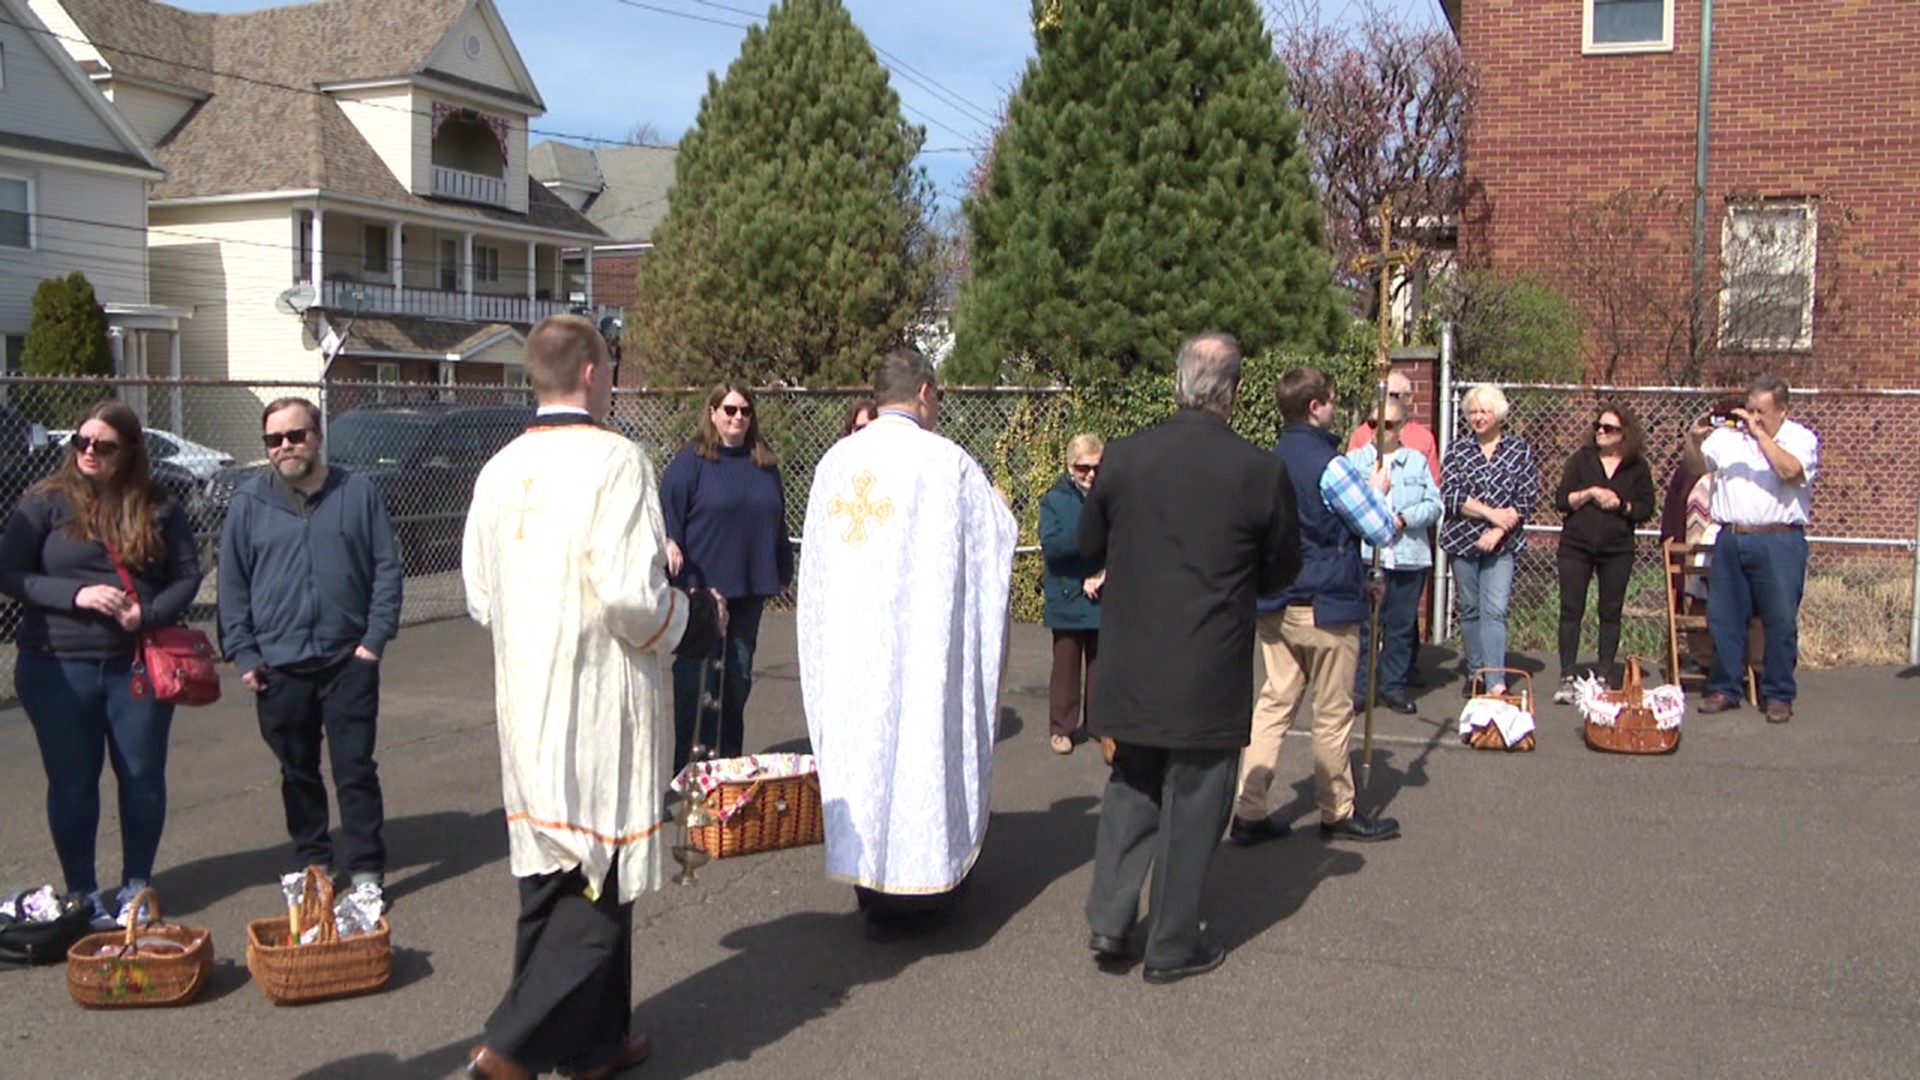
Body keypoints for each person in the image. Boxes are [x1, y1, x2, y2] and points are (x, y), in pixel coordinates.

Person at [461, 315, 725, 1080]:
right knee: (594, 882)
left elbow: (480, 592)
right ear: (590, 373)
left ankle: (594, 1043)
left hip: (529, 702)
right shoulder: (617, 460)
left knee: (549, 876)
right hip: (597, 704)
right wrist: (696, 616)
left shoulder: (499, 468)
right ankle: (507, 1052)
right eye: (610, 366)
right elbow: (629, 598)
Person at [1080, 333, 1301, 985]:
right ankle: (1172, 942)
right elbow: (1282, 566)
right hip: (1209, 658)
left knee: (1131, 783)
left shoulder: (1122, 458)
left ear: (1180, 382)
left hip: (1132, 653)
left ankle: (1110, 917)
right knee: (1198, 796)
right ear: (1234, 391)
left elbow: (1090, 541)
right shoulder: (1259, 471)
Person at [797, 348, 1017, 934]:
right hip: (921, 649)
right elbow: (996, 538)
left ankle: (871, 888)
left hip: (854, 648)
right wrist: (1002, 509)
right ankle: (926, 890)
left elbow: (815, 571)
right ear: (924, 393)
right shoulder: (948, 464)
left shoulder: (835, 463)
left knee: (864, 756)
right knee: (922, 751)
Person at [0, 402, 201, 930]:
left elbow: (186, 575)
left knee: (140, 777)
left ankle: (136, 883)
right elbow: (10, 573)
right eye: (81, 442)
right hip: (56, 667)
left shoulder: (160, 506)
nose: (88, 452)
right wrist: (77, 594)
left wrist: (148, 613)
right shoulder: (45, 502)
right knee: (72, 782)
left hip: (133, 666)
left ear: (129, 452)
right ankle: (82, 892)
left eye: (103, 445)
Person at [217, 397, 401, 913]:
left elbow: (386, 569)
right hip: (279, 666)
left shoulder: (358, 493)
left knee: (355, 769)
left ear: (317, 437)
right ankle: (314, 864)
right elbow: (232, 585)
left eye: (295, 436)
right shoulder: (249, 504)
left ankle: (366, 869)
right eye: (274, 440)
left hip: (348, 660)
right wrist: (244, 653)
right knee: (297, 773)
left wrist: (374, 641)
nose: (285, 448)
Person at [1233, 367, 1401, 849]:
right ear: (1314, 406)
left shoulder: (1267, 460)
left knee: (1273, 704)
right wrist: (1380, 494)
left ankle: (1249, 808)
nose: (1334, 407)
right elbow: (1382, 528)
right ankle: (1338, 809)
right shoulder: (1334, 466)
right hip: (1324, 608)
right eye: (1330, 400)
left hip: (1275, 604)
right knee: (1331, 712)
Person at [660, 384, 794, 772]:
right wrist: (670, 542)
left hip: (748, 588)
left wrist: (782, 567)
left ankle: (727, 770)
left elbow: (776, 520)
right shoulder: (691, 462)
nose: (738, 418)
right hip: (700, 590)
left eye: (746, 411)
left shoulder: (764, 465)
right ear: (713, 412)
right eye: (730, 410)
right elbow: (669, 511)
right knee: (696, 685)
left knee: (737, 681)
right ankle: (688, 775)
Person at [1684, 374, 1818, 724]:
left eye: (1762, 411)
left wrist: (1759, 435)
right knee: (1724, 617)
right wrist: (1694, 439)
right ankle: (1725, 688)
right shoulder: (1728, 439)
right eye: (1750, 410)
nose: (1753, 417)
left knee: (1779, 620)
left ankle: (1778, 694)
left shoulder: (1800, 438)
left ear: (1782, 411)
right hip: (1731, 537)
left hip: (1779, 539)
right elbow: (1696, 465)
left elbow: (1790, 471)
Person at [1551, 403, 1656, 701]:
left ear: (1625, 434)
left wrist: (1621, 504)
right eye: (1598, 426)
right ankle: (1568, 674)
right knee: (1571, 609)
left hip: (1616, 549)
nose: (1601, 432)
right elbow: (1561, 500)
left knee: (1610, 611)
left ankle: (1605, 673)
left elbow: (1646, 508)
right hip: (1576, 546)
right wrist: (1588, 494)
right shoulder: (1581, 460)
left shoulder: (1637, 466)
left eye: (1608, 428)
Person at [1440, 384, 1538, 697]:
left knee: (1495, 609)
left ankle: (1495, 680)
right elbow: (1452, 495)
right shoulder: (1457, 450)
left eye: (1485, 411)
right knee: (1469, 609)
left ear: (1499, 414)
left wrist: (1498, 529)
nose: (1478, 418)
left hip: (1503, 545)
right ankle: (1476, 673)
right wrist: (1490, 514)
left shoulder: (1518, 450)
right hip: (1463, 541)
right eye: (1473, 412)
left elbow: (1526, 497)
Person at [1347, 397, 1442, 716]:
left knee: (1400, 627)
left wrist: (1403, 519)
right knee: (1363, 628)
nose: (1379, 431)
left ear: (1401, 426)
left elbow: (1434, 505)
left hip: (1406, 558)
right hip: (1365, 557)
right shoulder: (1355, 461)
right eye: (1373, 424)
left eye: (1387, 425)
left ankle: (1393, 688)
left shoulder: (1415, 462)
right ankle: (1360, 690)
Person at [1038, 433, 1105, 755]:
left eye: (1096, 468)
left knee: (1100, 663)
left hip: (1102, 590)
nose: (1090, 475)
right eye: (1083, 468)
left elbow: (1123, 540)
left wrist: (1103, 574)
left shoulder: (1109, 496)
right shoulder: (1054, 499)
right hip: (1066, 592)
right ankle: (1062, 727)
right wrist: (1089, 537)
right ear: (1069, 467)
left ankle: (1099, 723)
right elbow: (1053, 547)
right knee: (1065, 664)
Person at [1348, 368, 1442, 485]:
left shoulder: (1424, 438)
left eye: (1393, 395)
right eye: (1383, 394)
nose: (1387, 400)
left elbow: (1434, 485)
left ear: (1409, 399)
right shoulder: (1361, 434)